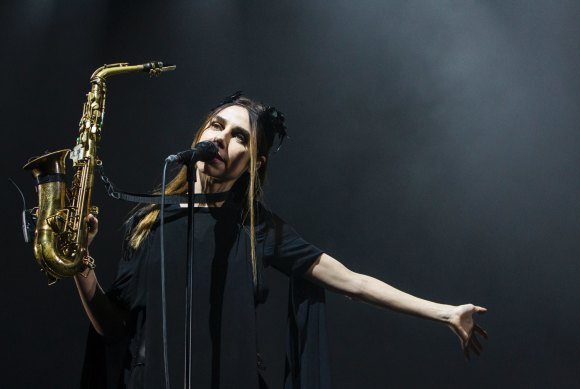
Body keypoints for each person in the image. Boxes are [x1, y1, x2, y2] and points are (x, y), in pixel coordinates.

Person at [75, 93, 487, 389]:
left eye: (240, 136)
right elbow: (113, 327)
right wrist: (81, 266)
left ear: (256, 161)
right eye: (217, 125)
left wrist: (446, 312)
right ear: (200, 132)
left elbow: (355, 283)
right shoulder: (150, 220)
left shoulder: (259, 230)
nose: (221, 138)